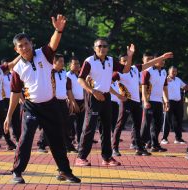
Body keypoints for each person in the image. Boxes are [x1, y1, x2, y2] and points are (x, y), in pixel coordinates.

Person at [4, 15, 81, 184]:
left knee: (57, 140)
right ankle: (17, 172)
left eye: (26, 44)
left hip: (50, 106)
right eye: (20, 46)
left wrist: (58, 30)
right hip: (31, 107)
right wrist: (9, 115)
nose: (24, 47)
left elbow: (54, 43)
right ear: (16, 50)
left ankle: (64, 171)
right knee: (26, 138)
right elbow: (15, 93)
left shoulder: (44, 54)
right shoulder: (17, 69)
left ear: (31, 43)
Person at [75, 38, 134, 167]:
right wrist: (93, 91)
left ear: (107, 48)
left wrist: (129, 56)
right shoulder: (89, 61)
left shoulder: (110, 61)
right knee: (89, 127)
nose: (102, 48)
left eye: (104, 46)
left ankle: (107, 157)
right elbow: (80, 79)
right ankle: (81, 157)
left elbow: (125, 70)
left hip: (106, 97)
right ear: (94, 48)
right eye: (99, 46)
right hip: (93, 96)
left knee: (106, 128)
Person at [111, 50, 173, 156]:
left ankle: (139, 148)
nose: (126, 63)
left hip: (136, 101)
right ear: (120, 62)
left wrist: (162, 56)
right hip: (126, 101)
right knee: (120, 124)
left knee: (137, 125)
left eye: (128, 60)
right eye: (123, 61)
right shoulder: (117, 73)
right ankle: (114, 148)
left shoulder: (135, 69)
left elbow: (149, 63)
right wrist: (118, 95)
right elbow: (107, 84)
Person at [141, 53, 171, 152]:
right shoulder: (148, 71)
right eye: (161, 60)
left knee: (158, 124)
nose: (163, 62)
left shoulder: (164, 72)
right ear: (155, 60)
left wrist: (166, 100)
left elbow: (165, 87)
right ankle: (140, 145)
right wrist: (145, 101)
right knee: (146, 124)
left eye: (164, 60)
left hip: (158, 101)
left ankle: (155, 144)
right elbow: (144, 87)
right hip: (149, 101)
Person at [161, 66, 188, 145]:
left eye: (175, 71)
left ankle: (178, 138)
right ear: (169, 72)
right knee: (167, 120)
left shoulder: (178, 79)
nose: (174, 73)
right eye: (172, 71)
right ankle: (164, 138)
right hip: (168, 102)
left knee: (178, 121)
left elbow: (186, 87)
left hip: (178, 102)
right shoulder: (165, 79)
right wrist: (165, 101)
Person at [66, 57, 85, 145]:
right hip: (71, 102)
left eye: (78, 64)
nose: (77, 65)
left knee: (81, 124)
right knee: (69, 123)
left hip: (82, 102)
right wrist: (73, 102)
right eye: (74, 64)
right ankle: (69, 141)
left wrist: (85, 102)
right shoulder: (67, 75)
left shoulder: (82, 75)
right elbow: (68, 90)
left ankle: (79, 142)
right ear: (70, 65)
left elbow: (85, 88)